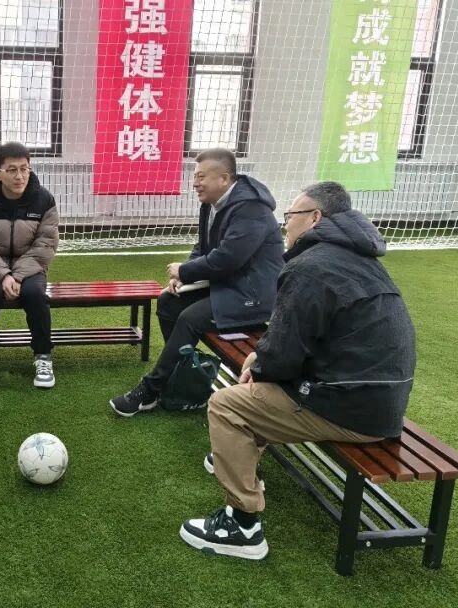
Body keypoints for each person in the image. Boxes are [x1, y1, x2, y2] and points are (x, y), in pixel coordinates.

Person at [179, 181, 417, 560]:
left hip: (351, 408)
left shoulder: (312, 266)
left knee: (227, 405)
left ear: (315, 218)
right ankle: (238, 460)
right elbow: (305, 341)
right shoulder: (359, 261)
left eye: (290, 216)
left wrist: (260, 364)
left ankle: (242, 526)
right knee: (257, 383)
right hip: (379, 403)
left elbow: (284, 357)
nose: (285, 224)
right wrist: (262, 361)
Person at [110, 148, 284, 416]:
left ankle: (151, 390)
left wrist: (185, 270)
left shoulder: (252, 209)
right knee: (168, 301)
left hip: (253, 294)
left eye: (201, 176)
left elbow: (229, 258)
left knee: (190, 318)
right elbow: (202, 247)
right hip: (228, 286)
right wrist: (182, 276)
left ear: (224, 179)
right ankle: (180, 379)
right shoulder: (211, 204)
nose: (195, 183)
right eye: (195, 176)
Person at [0, 142, 58, 390]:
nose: (19, 176)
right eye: (12, 170)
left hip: (31, 266)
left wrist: (16, 276)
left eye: (24, 169)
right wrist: (3, 274)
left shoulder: (44, 200)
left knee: (34, 293)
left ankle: (43, 356)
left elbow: (46, 244)